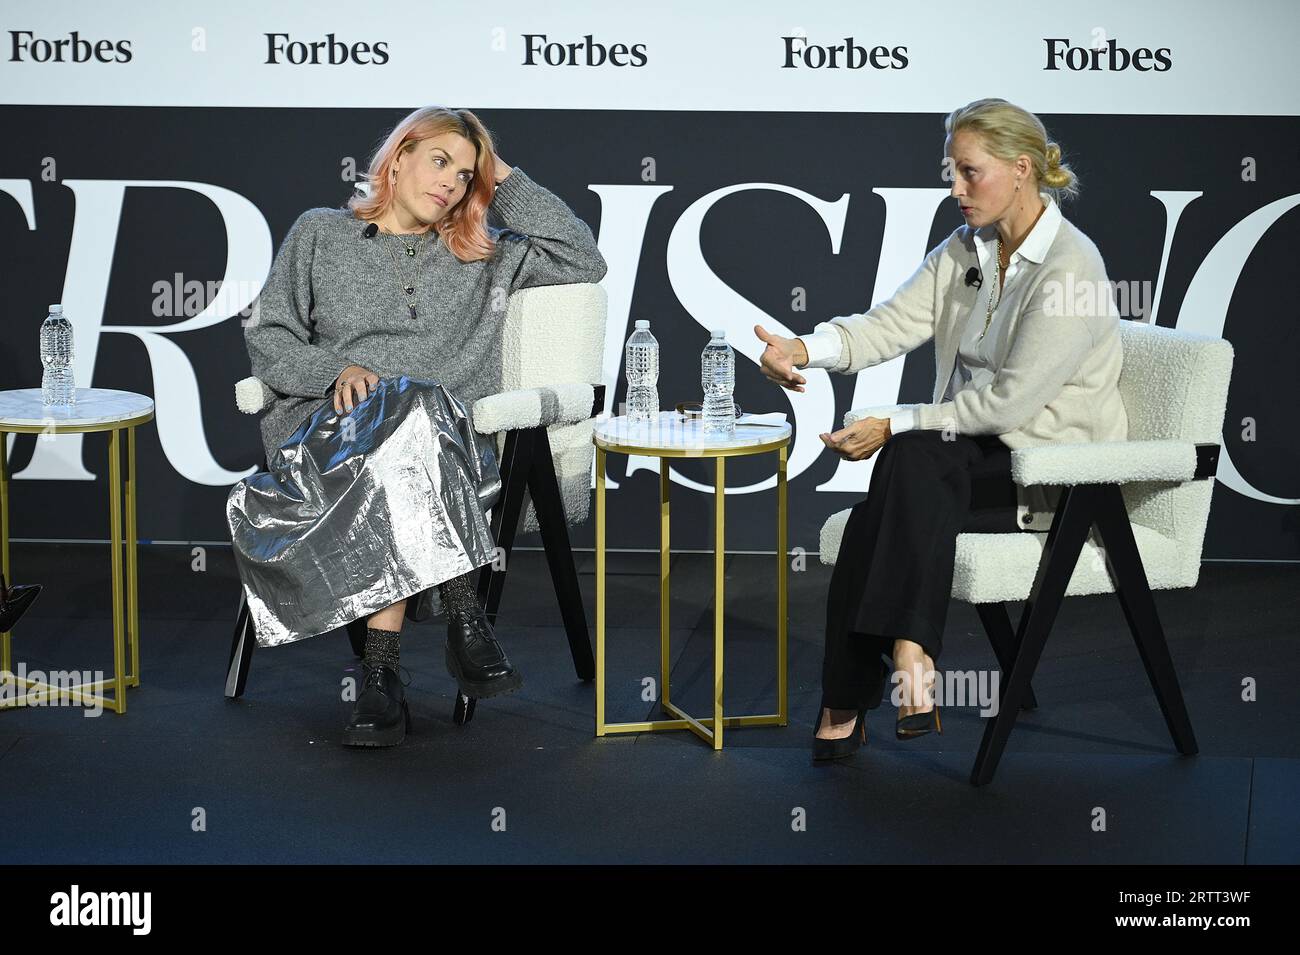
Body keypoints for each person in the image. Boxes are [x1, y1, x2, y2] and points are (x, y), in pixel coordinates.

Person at [755, 97, 1128, 760]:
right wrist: (805, 349)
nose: (955, 189)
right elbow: (888, 325)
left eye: (969, 172)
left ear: (1021, 169)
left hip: (1048, 473)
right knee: (897, 484)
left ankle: (853, 695)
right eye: (950, 172)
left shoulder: (1074, 268)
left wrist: (892, 422)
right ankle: (910, 656)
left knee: (907, 458)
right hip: (962, 457)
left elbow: (1007, 407)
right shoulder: (966, 249)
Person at [226, 106, 607, 747]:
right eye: (440, 162)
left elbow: (583, 257)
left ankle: (381, 680)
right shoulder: (319, 234)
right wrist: (333, 370)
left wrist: (501, 175)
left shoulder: (489, 255)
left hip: (448, 446)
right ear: (398, 157)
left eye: (465, 174)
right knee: (404, 410)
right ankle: (465, 614)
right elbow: (269, 337)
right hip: (335, 433)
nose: (451, 184)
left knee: (419, 409)